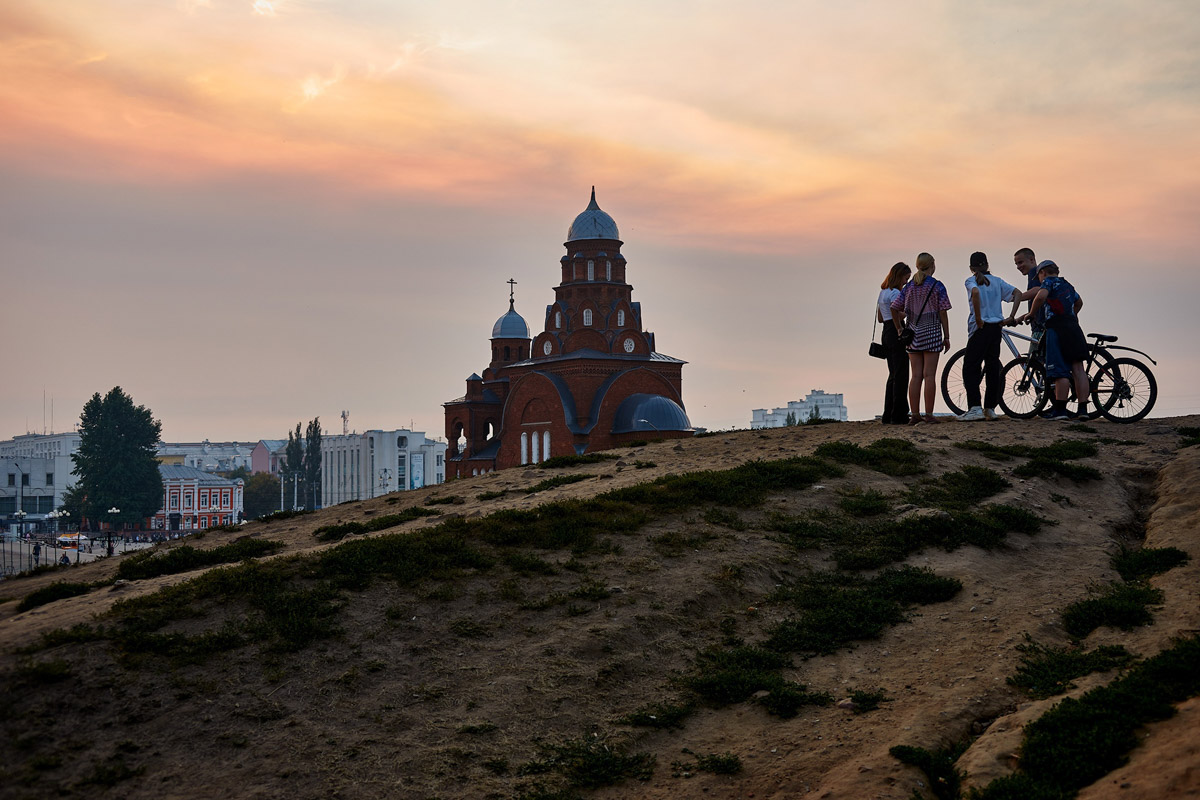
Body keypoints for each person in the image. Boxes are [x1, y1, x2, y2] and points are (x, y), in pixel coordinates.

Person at [1018, 260, 1088, 420]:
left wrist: (1031, 313)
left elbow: (1041, 296)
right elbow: (1079, 302)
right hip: (1074, 328)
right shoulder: (1067, 285)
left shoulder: (1048, 282)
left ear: (1042, 273)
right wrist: (1072, 315)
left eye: (1039, 276)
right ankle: (1083, 410)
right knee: (1078, 369)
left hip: (1056, 329)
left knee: (1059, 371)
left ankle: (1060, 410)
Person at [959, 252, 1021, 421]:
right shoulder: (997, 281)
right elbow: (1018, 293)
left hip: (980, 328)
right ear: (987, 265)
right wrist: (1011, 316)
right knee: (992, 366)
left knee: (971, 366)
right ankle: (990, 408)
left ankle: (975, 407)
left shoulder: (970, 280)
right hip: (996, 327)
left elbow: (975, 293)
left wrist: (978, 318)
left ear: (971, 268)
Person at [892, 252, 952, 424]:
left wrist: (898, 328)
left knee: (916, 376)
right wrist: (946, 335)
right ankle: (929, 414)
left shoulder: (909, 287)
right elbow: (943, 312)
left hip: (912, 335)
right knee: (929, 376)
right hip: (932, 334)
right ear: (932, 265)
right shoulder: (937, 286)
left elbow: (894, 307)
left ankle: (915, 415)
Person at [877, 262, 912, 424]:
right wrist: (904, 318)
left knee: (892, 374)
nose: (906, 281)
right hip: (895, 330)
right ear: (899, 276)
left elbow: (880, 318)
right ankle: (899, 414)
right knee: (901, 374)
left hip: (886, 332)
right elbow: (895, 311)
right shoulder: (896, 293)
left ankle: (888, 413)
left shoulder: (883, 292)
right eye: (906, 278)